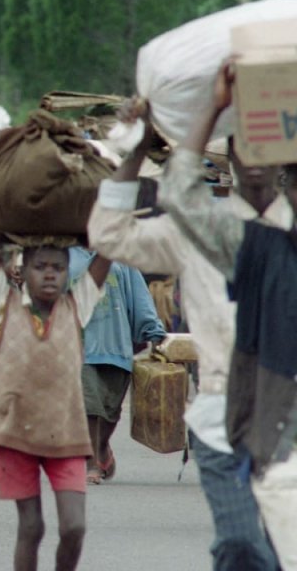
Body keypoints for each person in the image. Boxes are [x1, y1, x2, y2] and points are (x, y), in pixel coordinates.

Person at [88, 94, 285, 570]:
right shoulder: (199, 229)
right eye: (244, 147)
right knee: (241, 544)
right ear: (231, 157)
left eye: (268, 150)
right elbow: (110, 236)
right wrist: (138, 151)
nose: (255, 161)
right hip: (221, 415)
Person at [158, 62, 297, 569]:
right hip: (236, 424)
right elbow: (177, 195)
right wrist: (212, 107)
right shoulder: (249, 242)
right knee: (243, 545)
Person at [0, 231, 111, 571]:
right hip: (13, 433)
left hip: (66, 434)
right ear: (22, 269)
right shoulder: (3, 305)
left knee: (74, 527)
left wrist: (87, 233)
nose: (49, 274)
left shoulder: (77, 307)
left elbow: (109, 247)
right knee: (31, 527)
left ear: (68, 274)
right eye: (40, 267)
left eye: (58, 268)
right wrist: (13, 227)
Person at [68, 248, 165, 485]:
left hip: (117, 346)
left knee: (110, 411)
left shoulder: (121, 256)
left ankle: (101, 446)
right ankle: (90, 463)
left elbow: (139, 297)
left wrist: (153, 331)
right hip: (79, 347)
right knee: (89, 406)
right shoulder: (66, 255)